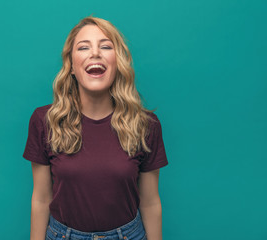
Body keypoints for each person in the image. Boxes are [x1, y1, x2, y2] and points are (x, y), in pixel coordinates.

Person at [23, 16, 168, 240]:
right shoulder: (45, 121)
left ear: (117, 62)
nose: (95, 53)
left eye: (106, 46)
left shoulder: (146, 125)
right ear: (71, 66)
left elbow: (150, 202)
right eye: (83, 47)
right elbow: (41, 199)